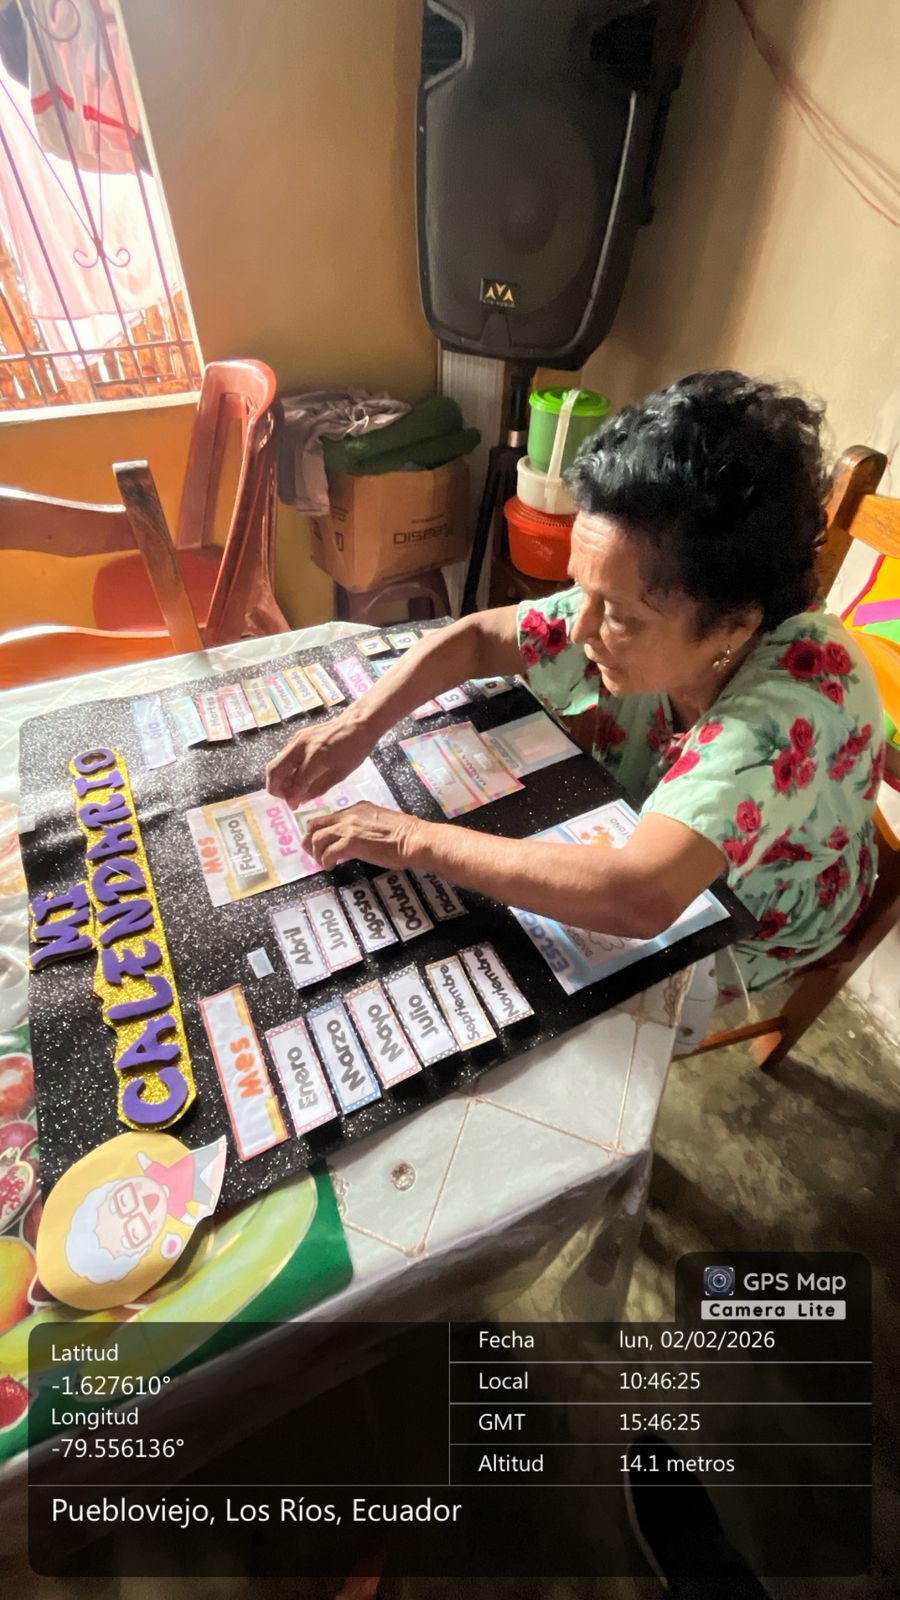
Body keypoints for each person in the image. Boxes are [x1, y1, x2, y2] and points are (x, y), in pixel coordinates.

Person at [266, 371, 883, 1005]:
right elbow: (477, 639)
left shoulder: (781, 720)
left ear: (734, 623)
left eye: (617, 614)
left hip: (753, 914)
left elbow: (638, 896)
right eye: (583, 590)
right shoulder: (657, 601)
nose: (581, 627)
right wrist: (357, 725)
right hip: (656, 835)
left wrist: (410, 839)